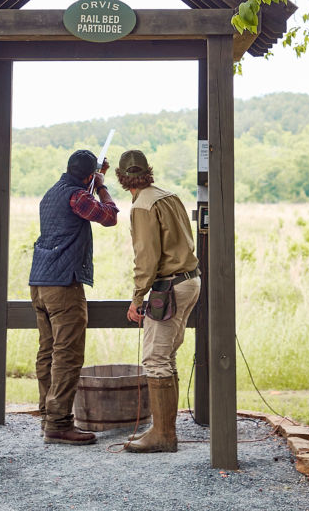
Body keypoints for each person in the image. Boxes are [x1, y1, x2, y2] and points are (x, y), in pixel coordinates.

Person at [29, 149, 118, 445]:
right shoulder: (79, 196)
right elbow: (108, 217)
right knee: (67, 355)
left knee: (48, 351)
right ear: (90, 176)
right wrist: (102, 185)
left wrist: (94, 178)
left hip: (39, 282)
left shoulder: (53, 192)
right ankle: (59, 423)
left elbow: (80, 199)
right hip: (63, 285)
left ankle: (47, 414)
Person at [116, 149, 200, 454]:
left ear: (123, 179)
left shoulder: (142, 205)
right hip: (190, 280)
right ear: (148, 172)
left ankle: (164, 435)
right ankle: (163, 430)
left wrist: (137, 298)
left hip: (170, 287)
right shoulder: (169, 195)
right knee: (167, 357)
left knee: (155, 359)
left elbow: (146, 258)